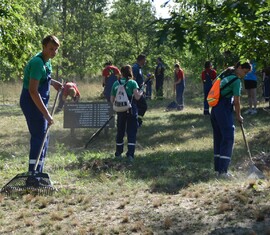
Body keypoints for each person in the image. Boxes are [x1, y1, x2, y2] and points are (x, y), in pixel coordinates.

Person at [20, 35, 62, 174]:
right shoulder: (37, 62)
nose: (53, 52)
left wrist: (53, 83)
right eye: (51, 49)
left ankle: (39, 172)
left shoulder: (47, 61)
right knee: (39, 135)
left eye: (56, 49)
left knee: (44, 135)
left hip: (38, 100)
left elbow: (44, 78)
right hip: (31, 101)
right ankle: (33, 174)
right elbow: (33, 91)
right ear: (44, 47)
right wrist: (47, 114)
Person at [210, 61, 251, 179]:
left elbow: (214, 83)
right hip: (223, 108)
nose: (245, 75)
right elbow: (237, 102)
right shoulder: (236, 81)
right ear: (239, 67)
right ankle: (223, 171)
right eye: (244, 71)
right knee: (228, 136)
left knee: (219, 137)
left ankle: (218, 170)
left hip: (215, 108)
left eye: (247, 73)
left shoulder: (225, 75)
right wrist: (239, 116)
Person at [111, 65, 143, 162]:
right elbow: (137, 97)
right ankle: (130, 155)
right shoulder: (133, 83)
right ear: (130, 72)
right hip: (131, 110)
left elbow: (112, 99)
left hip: (120, 111)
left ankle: (118, 153)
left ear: (121, 73)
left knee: (120, 131)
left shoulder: (116, 83)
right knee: (131, 131)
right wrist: (141, 91)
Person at [132, 54, 147, 126]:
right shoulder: (135, 68)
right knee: (143, 106)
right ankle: (137, 121)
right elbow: (133, 80)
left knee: (139, 107)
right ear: (141, 60)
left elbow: (139, 79)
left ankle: (137, 122)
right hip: (136, 91)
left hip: (140, 90)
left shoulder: (139, 68)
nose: (145, 62)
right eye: (145, 60)